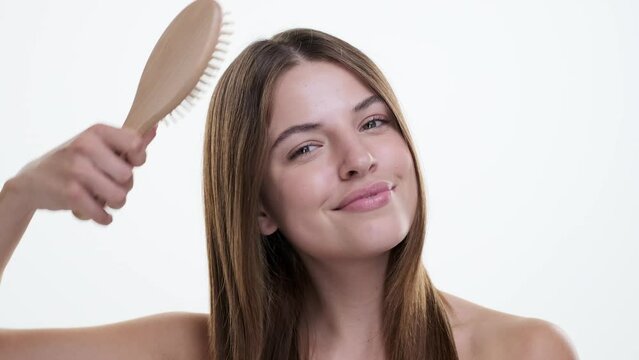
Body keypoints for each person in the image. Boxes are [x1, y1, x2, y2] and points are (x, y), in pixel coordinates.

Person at [0, 28, 578, 360]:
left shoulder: (521, 351)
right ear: (258, 208)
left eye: (373, 122)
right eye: (306, 148)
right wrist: (21, 193)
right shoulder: (193, 351)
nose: (359, 159)